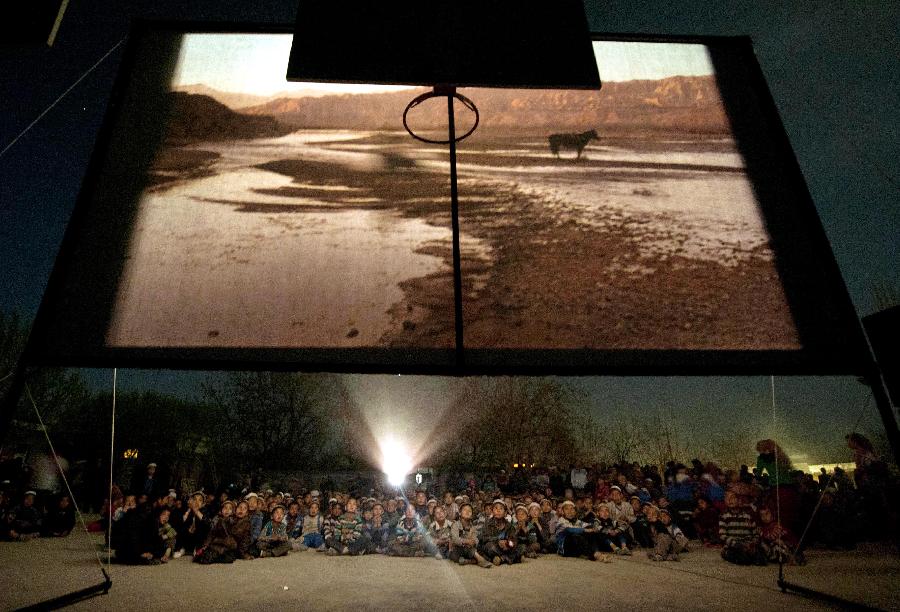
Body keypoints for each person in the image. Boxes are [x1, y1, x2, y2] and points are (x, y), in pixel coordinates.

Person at [719, 491, 765, 565]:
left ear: (739, 500)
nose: (729, 500)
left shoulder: (748, 516)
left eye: (732, 497)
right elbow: (722, 535)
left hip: (747, 543)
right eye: (727, 498)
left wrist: (752, 543)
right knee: (741, 558)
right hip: (734, 545)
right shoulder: (724, 516)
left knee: (760, 558)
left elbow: (755, 533)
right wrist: (736, 544)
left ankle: (752, 555)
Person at [479, 500, 521, 565]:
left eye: (501, 508)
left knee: (520, 548)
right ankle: (508, 558)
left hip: (506, 548)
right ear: (492, 511)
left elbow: (514, 540)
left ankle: (501, 558)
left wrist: (507, 543)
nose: (498, 510)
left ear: (505, 513)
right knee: (490, 547)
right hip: (494, 547)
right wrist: (497, 541)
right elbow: (483, 538)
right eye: (496, 508)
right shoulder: (487, 523)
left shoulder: (509, 526)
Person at [450, 502, 491, 568]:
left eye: (469, 511)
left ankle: (467, 561)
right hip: (457, 549)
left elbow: (476, 538)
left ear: (472, 515)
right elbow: (455, 539)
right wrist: (466, 541)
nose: (467, 512)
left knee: (480, 550)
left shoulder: (473, 527)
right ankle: (480, 560)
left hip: (469, 549)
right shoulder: (456, 525)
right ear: (460, 513)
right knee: (455, 553)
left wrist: (474, 542)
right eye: (465, 510)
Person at [176, 492, 209, 557]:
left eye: (200, 500)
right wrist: (189, 510)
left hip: (199, 538)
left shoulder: (205, 511)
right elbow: (181, 523)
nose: (197, 502)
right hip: (189, 536)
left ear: (203, 504)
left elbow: (206, 523)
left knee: (202, 527)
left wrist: (196, 511)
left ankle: (197, 548)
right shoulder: (188, 510)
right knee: (182, 527)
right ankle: (182, 548)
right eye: (195, 499)